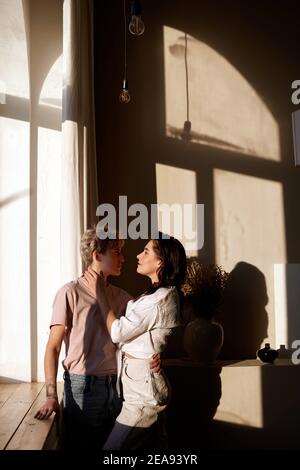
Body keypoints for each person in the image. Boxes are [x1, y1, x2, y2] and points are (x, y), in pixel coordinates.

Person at [34, 226, 160, 450]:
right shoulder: (69, 293)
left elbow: (136, 343)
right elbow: (53, 347)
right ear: (97, 255)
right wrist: (51, 395)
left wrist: (153, 357)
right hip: (83, 391)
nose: (123, 258)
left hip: (120, 388)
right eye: (116, 252)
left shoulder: (123, 298)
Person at [83, 234, 187, 450]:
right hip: (140, 385)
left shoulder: (161, 298)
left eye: (146, 251)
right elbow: (152, 334)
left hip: (143, 396)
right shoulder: (156, 295)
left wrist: (99, 292)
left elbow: (119, 332)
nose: (138, 255)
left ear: (161, 262)